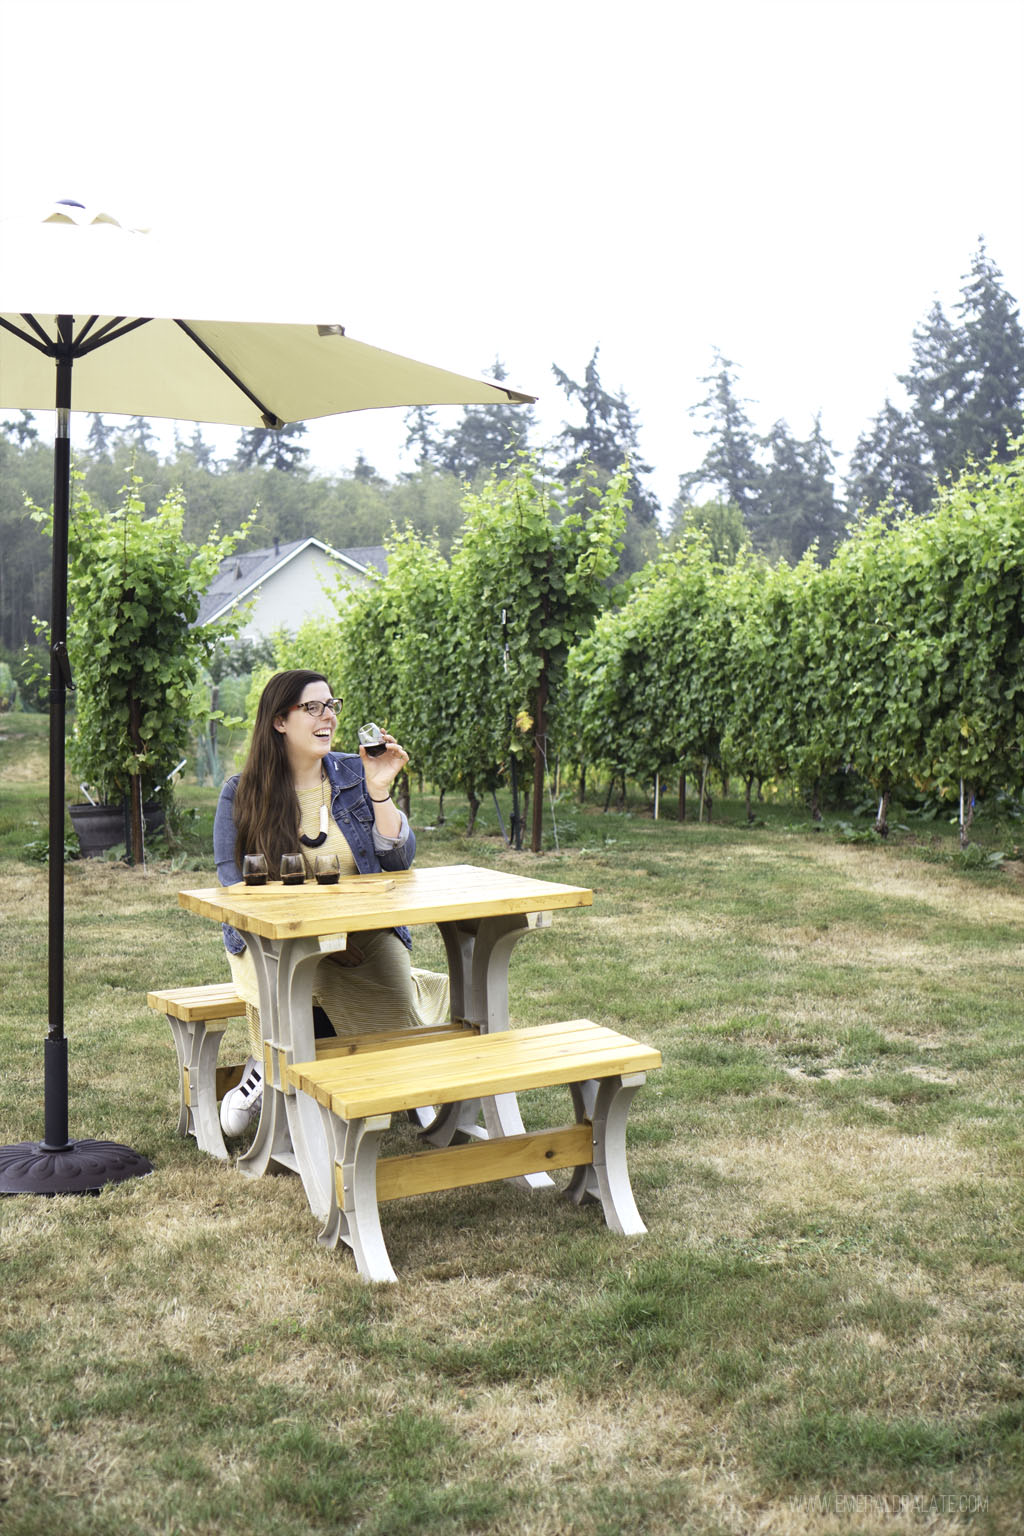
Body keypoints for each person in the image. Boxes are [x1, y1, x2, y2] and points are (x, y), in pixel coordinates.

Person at [212, 669, 446, 1136]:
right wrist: (326, 942)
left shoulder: (356, 773)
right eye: (313, 708)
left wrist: (380, 790)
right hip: (274, 944)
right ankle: (270, 1070)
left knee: (396, 999)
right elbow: (234, 893)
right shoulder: (241, 793)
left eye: (332, 706)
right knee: (305, 980)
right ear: (280, 720)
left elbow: (399, 860)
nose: (328, 717)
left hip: (364, 931)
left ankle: (402, 1077)